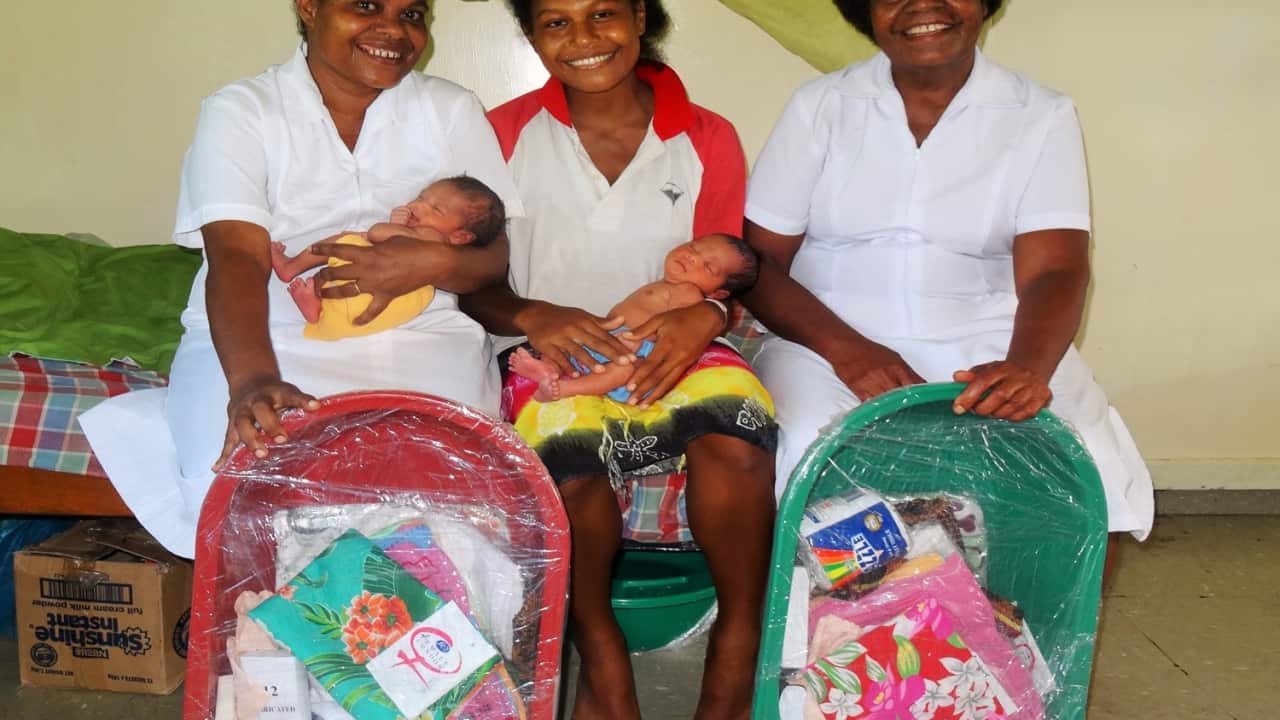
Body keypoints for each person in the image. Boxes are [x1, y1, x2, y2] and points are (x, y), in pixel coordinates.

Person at [79, 0, 520, 559]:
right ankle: (269, 640)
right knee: (235, 493)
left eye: (412, 13)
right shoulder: (243, 109)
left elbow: (492, 256)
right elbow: (237, 256)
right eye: (365, 6)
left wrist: (429, 264)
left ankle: (424, 641)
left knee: (449, 515)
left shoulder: (450, 108)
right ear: (309, 7)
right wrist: (253, 379)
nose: (394, 29)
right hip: (272, 333)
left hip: (424, 335)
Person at [741, 0, 1154, 540]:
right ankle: (826, 623)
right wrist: (851, 353)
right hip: (823, 341)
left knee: (1082, 454)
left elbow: (1055, 268)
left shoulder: (1039, 114)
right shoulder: (821, 107)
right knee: (808, 447)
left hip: (988, 337)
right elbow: (759, 263)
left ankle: (1033, 624)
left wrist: (1024, 367)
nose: (923, 6)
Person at [508, 233, 759, 402]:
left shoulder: (688, 293)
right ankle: (546, 371)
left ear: (717, 293)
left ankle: (562, 389)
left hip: (635, 352)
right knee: (563, 344)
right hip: (608, 342)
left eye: (708, 266)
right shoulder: (667, 284)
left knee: (622, 370)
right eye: (694, 247)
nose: (693, 256)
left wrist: (635, 342)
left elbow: (671, 330)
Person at [269, 176, 506, 341]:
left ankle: (291, 267)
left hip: (376, 289)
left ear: (460, 236)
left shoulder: (432, 237)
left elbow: (377, 234)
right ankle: (316, 309)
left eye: (436, 210)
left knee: (343, 241)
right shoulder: (432, 236)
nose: (418, 206)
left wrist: (395, 225)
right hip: (377, 304)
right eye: (421, 197)